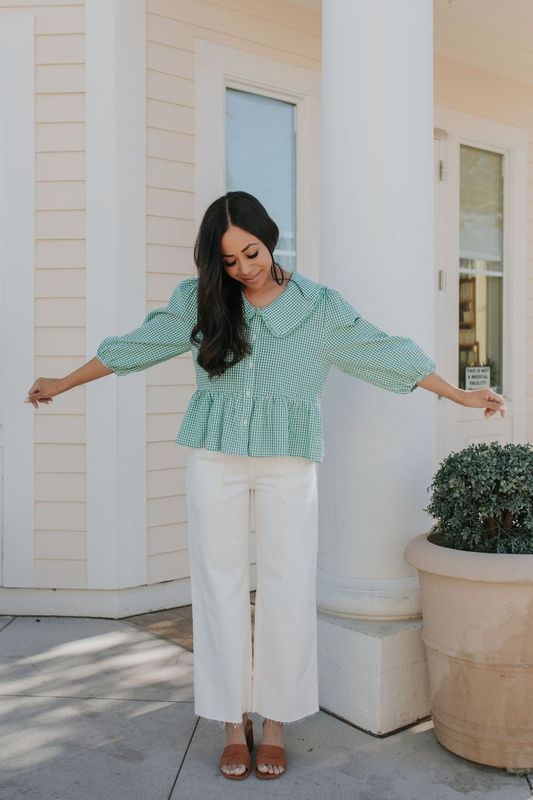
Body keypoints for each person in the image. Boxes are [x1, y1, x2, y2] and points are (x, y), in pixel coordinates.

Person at [25, 190, 507, 781]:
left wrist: (459, 394)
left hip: (289, 460)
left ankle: (275, 721)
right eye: (228, 262)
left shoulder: (319, 308)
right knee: (218, 586)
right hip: (214, 456)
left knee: (286, 585)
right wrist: (66, 381)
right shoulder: (201, 301)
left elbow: (385, 353)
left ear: (269, 237)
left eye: (250, 253)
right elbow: (137, 346)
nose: (243, 269)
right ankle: (233, 722)